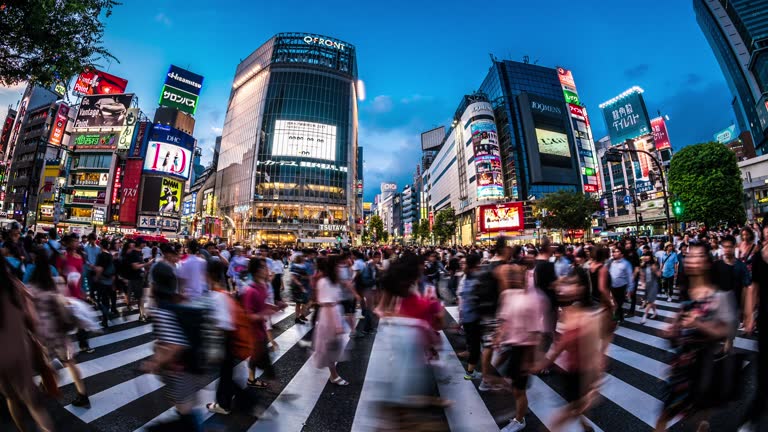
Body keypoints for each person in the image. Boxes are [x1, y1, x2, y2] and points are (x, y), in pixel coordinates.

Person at [655, 243, 734, 432]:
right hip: (681, 367)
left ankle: (702, 423)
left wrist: (698, 324)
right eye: (689, 256)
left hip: (704, 367)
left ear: (707, 262)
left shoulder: (719, 295)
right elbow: (679, 326)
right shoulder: (686, 291)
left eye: (697, 256)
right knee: (665, 413)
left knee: (699, 412)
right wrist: (671, 330)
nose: (691, 259)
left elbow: (725, 332)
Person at [536, 275, 603, 432]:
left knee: (568, 411)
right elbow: (563, 343)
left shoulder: (590, 315)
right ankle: (585, 425)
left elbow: (594, 351)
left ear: (582, 288)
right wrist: (546, 362)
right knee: (576, 404)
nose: (562, 288)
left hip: (584, 373)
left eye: (571, 283)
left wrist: (596, 381)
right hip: (569, 370)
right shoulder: (568, 311)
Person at [27, 248, 91, 408]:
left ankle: (45, 387)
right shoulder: (56, 283)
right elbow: (66, 302)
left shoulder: (31, 289)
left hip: (42, 333)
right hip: (59, 332)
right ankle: (82, 394)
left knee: (46, 363)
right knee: (70, 362)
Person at [0, 254, 54, 432]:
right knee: (35, 405)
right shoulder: (15, 285)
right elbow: (32, 320)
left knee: (11, 398)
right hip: (18, 349)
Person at [494, 253, 547, 432]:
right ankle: (520, 408)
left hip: (524, 349)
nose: (513, 277)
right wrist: (498, 336)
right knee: (507, 381)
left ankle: (520, 419)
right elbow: (505, 319)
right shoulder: (508, 294)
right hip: (510, 346)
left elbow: (535, 333)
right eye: (511, 275)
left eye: (517, 274)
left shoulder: (532, 299)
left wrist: (531, 359)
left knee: (518, 389)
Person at [313, 254, 350, 385]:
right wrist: (337, 325)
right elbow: (328, 305)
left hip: (334, 316)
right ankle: (334, 375)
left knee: (332, 348)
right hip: (329, 319)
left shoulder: (333, 281)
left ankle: (333, 374)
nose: (342, 268)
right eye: (339, 265)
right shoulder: (325, 282)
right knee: (330, 348)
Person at [243, 257, 279, 389]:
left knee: (257, 356)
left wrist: (272, 306)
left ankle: (252, 379)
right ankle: (274, 382)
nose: (267, 270)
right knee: (263, 359)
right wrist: (263, 314)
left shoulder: (262, 286)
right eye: (264, 267)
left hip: (260, 329)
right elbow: (248, 316)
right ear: (257, 271)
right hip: (253, 332)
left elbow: (260, 305)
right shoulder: (251, 290)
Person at [712, 234, 750, 344]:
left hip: (735, 307)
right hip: (718, 307)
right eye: (725, 247)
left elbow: (746, 287)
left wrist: (744, 310)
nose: (727, 249)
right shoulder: (716, 265)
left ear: (734, 247)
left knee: (729, 339)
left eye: (730, 247)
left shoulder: (741, 266)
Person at [458, 253, 482, 380]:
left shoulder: (467, 276)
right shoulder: (475, 278)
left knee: (475, 345)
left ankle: (471, 371)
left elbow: (462, 295)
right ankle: (470, 373)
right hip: (473, 317)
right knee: (475, 347)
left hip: (467, 315)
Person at [121, 239, 153, 321]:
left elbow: (139, 265)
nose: (145, 245)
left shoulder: (139, 253)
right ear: (140, 244)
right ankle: (141, 315)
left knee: (139, 297)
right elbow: (135, 266)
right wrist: (147, 264)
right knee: (139, 297)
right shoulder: (133, 253)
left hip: (139, 277)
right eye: (143, 243)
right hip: (134, 278)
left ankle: (139, 313)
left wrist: (145, 267)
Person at [91, 239, 116, 328]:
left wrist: (96, 277)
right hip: (109, 281)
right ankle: (105, 320)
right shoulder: (110, 256)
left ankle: (106, 313)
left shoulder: (100, 255)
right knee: (106, 300)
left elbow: (99, 269)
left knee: (99, 300)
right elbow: (113, 269)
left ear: (101, 245)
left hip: (102, 281)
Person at [608, 246, 634, 324]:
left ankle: (616, 317)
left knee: (619, 303)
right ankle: (621, 317)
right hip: (612, 286)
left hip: (622, 286)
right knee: (616, 302)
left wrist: (630, 289)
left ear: (622, 254)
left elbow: (629, 276)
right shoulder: (611, 262)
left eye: (617, 251)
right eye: (614, 251)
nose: (614, 253)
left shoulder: (626, 264)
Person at [640, 251, 661, 324]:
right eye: (644, 256)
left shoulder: (654, 264)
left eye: (647, 255)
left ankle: (644, 316)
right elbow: (642, 275)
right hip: (647, 285)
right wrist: (642, 283)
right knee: (651, 301)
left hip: (654, 284)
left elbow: (659, 275)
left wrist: (655, 270)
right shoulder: (643, 265)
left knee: (649, 301)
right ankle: (655, 313)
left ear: (650, 256)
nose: (646, 257)